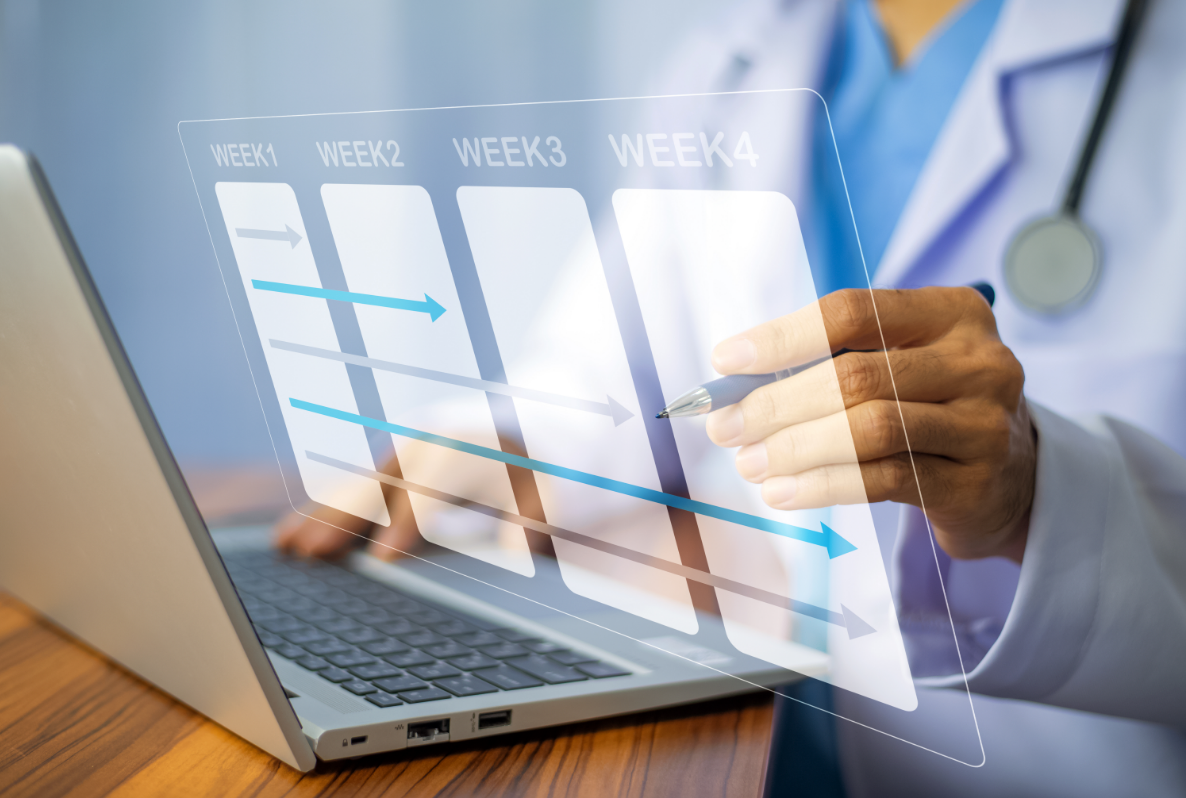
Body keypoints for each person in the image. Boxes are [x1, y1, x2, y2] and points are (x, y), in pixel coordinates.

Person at [280, 0, 1186, 793]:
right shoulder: (738, 54)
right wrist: (515, 450)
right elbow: (612, 373)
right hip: (752, 732)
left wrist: (1038, 498)